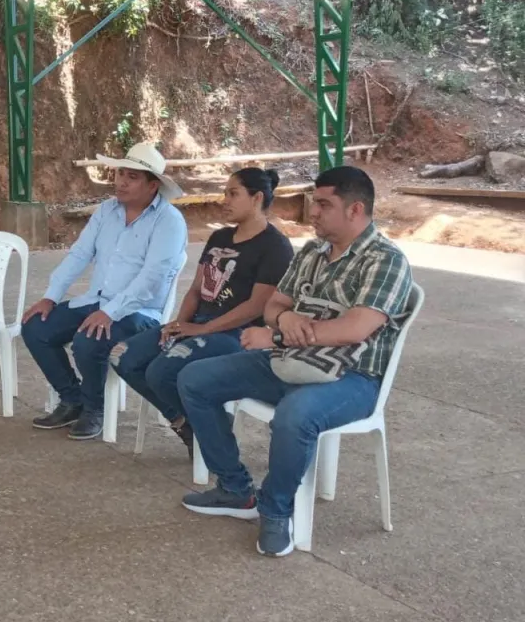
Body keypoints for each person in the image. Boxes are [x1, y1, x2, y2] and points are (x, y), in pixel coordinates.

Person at [177, 166, 413, 557]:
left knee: (294, 415)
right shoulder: (312, 252)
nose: (312, 212)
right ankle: (236, 490)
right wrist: (285, 319)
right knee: (194, 379)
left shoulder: (385, 260)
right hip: (292, 360)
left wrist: (277, 334)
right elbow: (274, 305)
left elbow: (354, 329)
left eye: (324, 204)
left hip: (352, 377)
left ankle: (276, 510)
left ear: (355, 209)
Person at [108, 168, 294, 456]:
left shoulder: (275, 246)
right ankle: (189, 423)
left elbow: (256, 306)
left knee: (161, 372)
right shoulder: (220, 237)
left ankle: (210, 433)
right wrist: (180, 323)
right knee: (122, 356)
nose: (224, 200)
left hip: (237, 334)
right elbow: (197, 289)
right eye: (225, 193)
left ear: (257, 198)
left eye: (233, 194)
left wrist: (201, 329)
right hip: (197, 324)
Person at [23, 142, 189, 440]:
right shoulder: (106, 211)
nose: (121, 182)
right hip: (97, 301)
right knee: (36, 327)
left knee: (89, 339)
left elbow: (152, 278)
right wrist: (51, 295)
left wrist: (111, 312)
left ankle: (93, 410)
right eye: (120, 173)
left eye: (132, 177)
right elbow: (79, 254)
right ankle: (72, 399)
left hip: (140, 312)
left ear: (153, 185)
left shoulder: (169, 222)